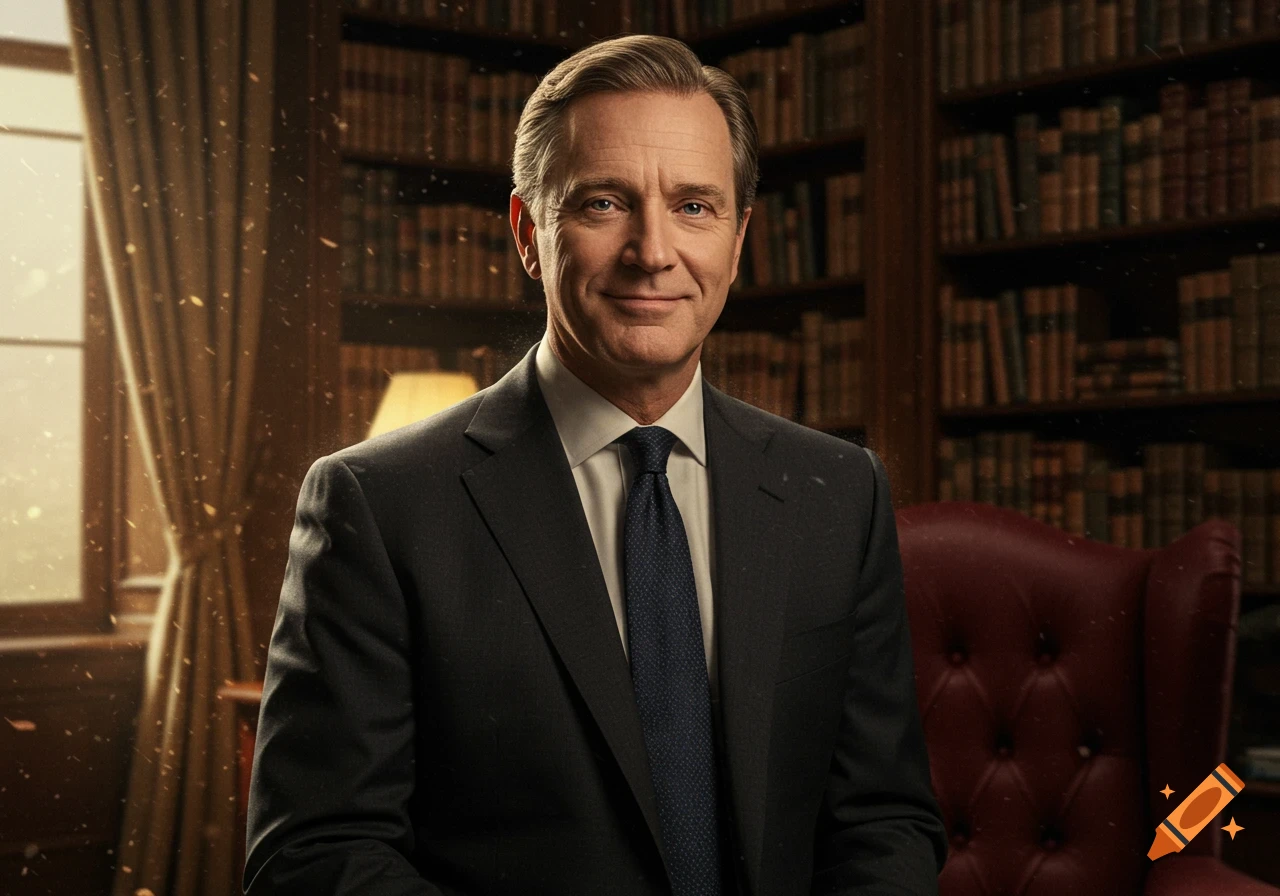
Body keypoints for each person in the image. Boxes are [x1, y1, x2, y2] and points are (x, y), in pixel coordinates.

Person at [244, 33, 946, 896]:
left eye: (695, 207)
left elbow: (884, 820)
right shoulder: (379, 505)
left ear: (738, 238)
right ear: (529, 233)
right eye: (604, 203)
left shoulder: (839, 493)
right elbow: (316, 857)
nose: (654, 252)